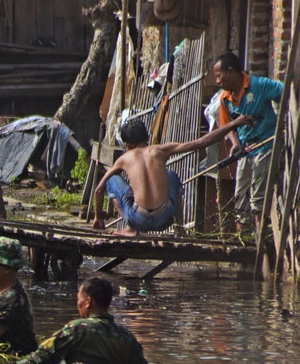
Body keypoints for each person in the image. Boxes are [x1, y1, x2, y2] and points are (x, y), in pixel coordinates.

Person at [93, 115, 254, 236]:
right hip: (165, 217)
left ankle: (130, 229)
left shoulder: (124, 159)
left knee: (111, 180)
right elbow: (202, 142)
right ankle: (180, 228)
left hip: (138, 219)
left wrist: (97, 218)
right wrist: (234, 123)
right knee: (171, 175)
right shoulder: (162, 149)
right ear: (147, 138)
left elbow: (98, 190)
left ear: (127, 145)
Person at [212, 51, 284, 231]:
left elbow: (286, 93)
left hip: (266, 146)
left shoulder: (260, 85)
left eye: (219, 76)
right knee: (240, 198)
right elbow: (227, 126)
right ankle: (242, 240)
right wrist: (235, 142)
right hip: (245, 150)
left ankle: (258, 241)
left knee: (258, 199)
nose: (218, 81)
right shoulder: (225, 99)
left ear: (231, 71)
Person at [16, 277, 149, 364]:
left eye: (79, 300)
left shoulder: (78, 329)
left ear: (87, 302)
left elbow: (41, 358)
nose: (77, 305)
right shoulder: (126, 335)